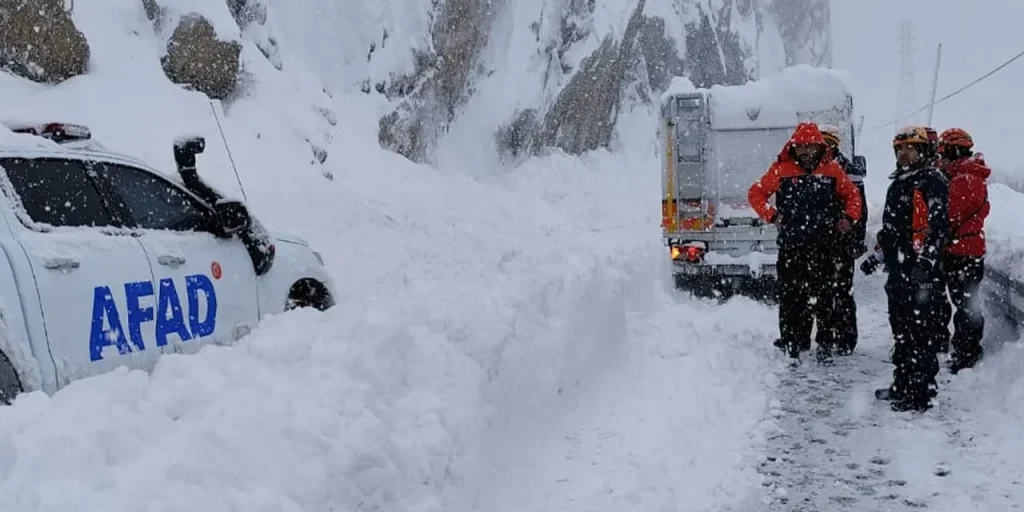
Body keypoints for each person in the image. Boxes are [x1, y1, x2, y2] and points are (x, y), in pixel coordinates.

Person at [749, 121, 863, 364]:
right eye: (801, 147)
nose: (806, 151)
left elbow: (853, 195)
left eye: (811, 147)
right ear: (794, 147)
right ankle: (792, 341)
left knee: (825, 298)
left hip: (825, 247)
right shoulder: (781, 170)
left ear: (819, 147)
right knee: (791, 297)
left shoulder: (832, 170)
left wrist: (848, 218)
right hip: (792, 247)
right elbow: (755, 193)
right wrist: (772, 215)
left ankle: (824, 343)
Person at [874, 125, 949, 412]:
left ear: (924, 151)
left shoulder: (931, 180)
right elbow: (893, 230)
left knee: (921, 333)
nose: (904, 153)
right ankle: (903, 384)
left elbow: (939, 226)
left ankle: (922, 393)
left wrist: (927, 261)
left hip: (920, 271)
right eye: (900, 149)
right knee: (902, 331)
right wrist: (879, 256)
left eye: (910, 148)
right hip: (899, 269)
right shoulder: (901, 181)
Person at [936, 127, 990, 373]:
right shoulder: (965, 176)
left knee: (966, 303)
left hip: (963, 251)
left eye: (944, 151)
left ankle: (967, 352)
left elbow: (949, 215)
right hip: (963, 249)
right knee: (964, 301)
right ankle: (964, 348)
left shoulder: (965, 179)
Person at [819, 124, 868, 356]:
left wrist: (856, 239)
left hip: (842, 242)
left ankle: (846, 339)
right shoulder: (815, 168)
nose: (825, 147)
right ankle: (827, 338)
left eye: (829, 143)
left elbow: (861, 209)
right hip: (821, 243)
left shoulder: (848, 170)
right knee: (824, 292)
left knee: (842, 291)